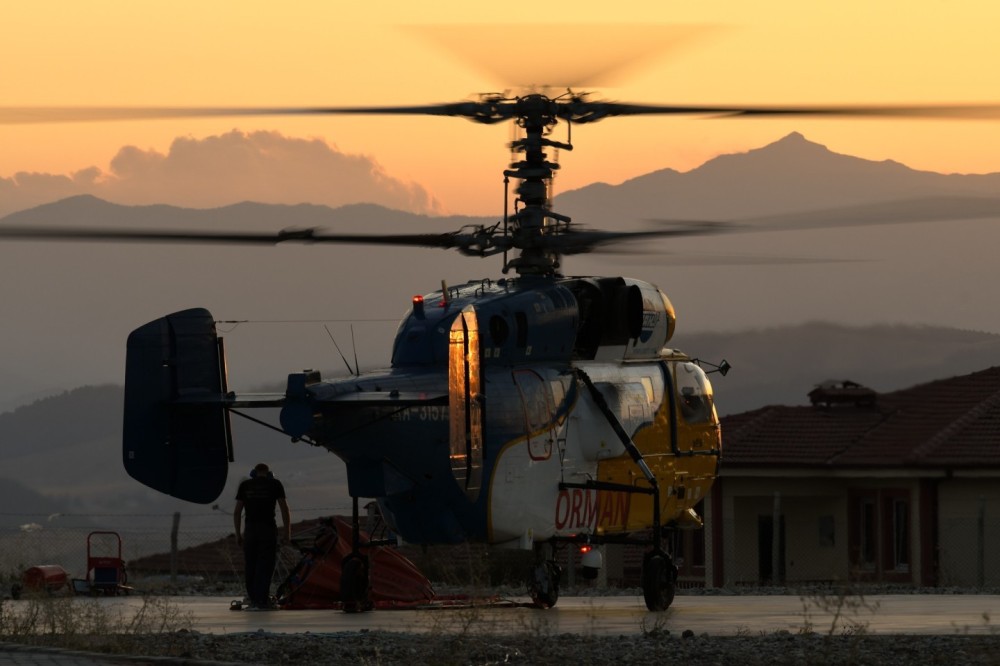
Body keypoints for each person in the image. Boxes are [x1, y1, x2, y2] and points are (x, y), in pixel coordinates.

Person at [233, 463, 291, 610]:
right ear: (268, 473)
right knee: (265, 565)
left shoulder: (245, 485)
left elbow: (237, 511)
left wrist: (238, 534)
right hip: (268, 529)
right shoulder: (275, 484)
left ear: (254, 472)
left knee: (250, 565)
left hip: (250, 530)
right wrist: (287, 533)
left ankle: (253, 599)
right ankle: (261, 600)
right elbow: (284, 508)